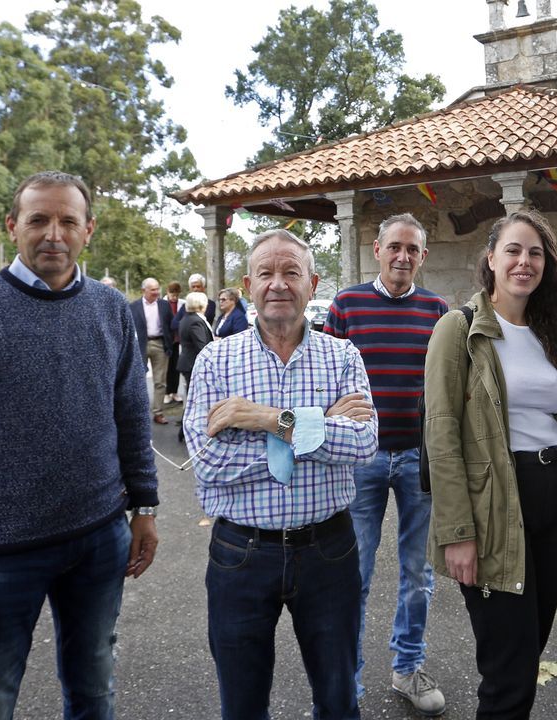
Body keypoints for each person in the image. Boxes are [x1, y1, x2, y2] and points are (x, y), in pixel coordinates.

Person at [0, 170, 159, 719]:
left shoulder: (111, 309)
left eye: (68, 221)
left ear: (88, 230)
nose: (53, 234)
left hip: (98, 540)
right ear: (12, 225)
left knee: (95, 686)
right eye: (38, 219)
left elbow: (132, 417)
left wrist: (143, 507)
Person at [184, 229, 378, 720]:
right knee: (243, 703)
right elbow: (208, 463)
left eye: (291, 272)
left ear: (312, 284)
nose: (279, 284)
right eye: (266, 273)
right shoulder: (215, 360)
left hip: (329, 551)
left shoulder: (343, 355)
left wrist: (266, 419)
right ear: (249, 285)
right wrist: (317, 425)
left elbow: (363, 442)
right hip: (240, 555)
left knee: (337, 698)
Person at [424, 210, 557, 719]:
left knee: (529, 653)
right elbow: (441, 434)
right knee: (507, 667)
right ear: (491, 259)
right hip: (495, 504)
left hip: (555, 492)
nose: (524, 262)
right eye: (513, 251)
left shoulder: (553, 331)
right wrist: (457, 531)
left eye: (536, 253)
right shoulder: (458, 331)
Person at [323, 213, 449, 715]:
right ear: (377, 249)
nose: (402, 257)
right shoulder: (346, 305)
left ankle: (407, 668)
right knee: (354, 572)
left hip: (420, 457)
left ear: (423, 255)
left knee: (418, 572)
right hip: (362, 457)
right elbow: (321, 374)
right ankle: (346, 678)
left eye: (412, 249)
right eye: (394, 247)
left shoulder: (439, 311)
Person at [130, 277, 175, 424]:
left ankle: (158, 413)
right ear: (144, 290)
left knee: (160, 382)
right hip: (140, 346)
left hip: (160, 344)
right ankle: (139, 413)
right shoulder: (133, 306)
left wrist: (169, 345)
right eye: (153, 289)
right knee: (138, 380)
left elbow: (170, 325)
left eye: (157, 289)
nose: (156, 292)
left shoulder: (164, 305)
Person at [176, 291, 215, 443]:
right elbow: (202, 346)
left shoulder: (188, 319)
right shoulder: (195, 321)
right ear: (201, 304)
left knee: (191, 398)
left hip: (188, 362)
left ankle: (183, 431)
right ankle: (185, 431)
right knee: (195, 399)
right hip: (192, 363)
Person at [164, 281, 185, 404]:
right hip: (166, 340)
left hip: (177, 340)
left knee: (175, 367)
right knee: (166, 367)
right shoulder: (162, 303)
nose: (174, 297)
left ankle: (174, 392)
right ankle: (167, 393)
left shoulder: (182, 304)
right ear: (167, 292)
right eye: (172, 294)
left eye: (176, 295)